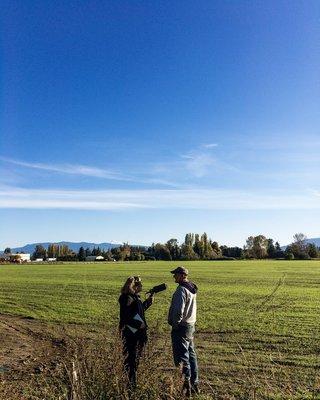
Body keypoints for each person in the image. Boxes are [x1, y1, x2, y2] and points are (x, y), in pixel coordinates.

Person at [168, 266, 199, 397]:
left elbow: (178, 312)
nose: (174, 276)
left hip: (181, 327)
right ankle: (195, 384)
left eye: (175, 274)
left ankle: (186, 389)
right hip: (190, 326)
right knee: (191, 356)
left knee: (182, 358)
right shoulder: (191, 288)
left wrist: (175, 325)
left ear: (182, 275)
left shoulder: (181, 289)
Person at [119, 276, 154, 388]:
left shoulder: (134, 297)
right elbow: (126, 316)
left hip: (137, 334)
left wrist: (148, 303)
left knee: (135, 360)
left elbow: (138, 311)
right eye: (140, 284)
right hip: (131, 335)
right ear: (134, 286)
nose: (142, 286)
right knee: (130, 361)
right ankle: (129, 386)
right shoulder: (126, 298)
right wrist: (140, 325)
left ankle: (131, 384)